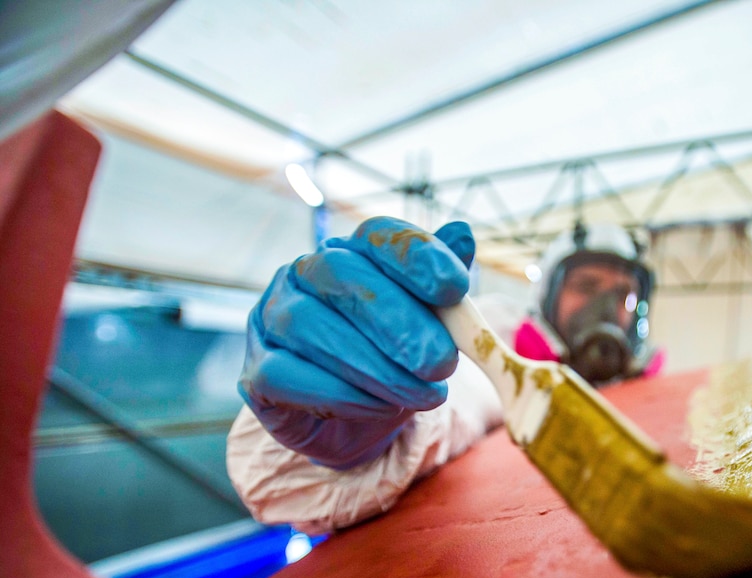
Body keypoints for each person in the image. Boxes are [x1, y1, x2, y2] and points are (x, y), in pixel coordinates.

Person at [226, 216, 660, 535]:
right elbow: (463, 395)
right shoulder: (500, 341)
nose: (606, 310)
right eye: (585, 287)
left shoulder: (647, 384)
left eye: (622, 295)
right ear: (548, 291)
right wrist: (370, 422)